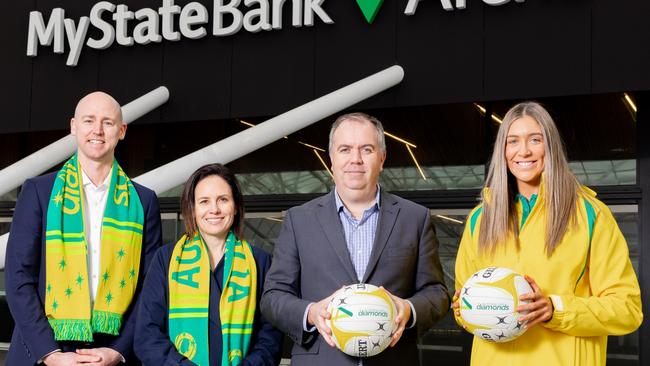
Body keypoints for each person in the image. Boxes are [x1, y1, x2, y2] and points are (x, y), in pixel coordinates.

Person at [453, 101, 643, 365]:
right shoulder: (480, 219)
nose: (524, 151)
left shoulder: (591, 214)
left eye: (535, 140)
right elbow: (463, 301)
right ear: (503, 151)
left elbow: (627, 310)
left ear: (550, 146)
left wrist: (555, 309)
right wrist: (465, 310)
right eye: (513, 141)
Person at [261, 112, 450, 365]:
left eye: (367, 149)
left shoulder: (414, 218)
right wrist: (312, 313)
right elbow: (273, 296)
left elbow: (437, 293)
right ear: (331, 159)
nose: (355, 159)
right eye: (345, 149)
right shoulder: (299, 220)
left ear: (382, 158)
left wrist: (408, 309)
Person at [5, 91, 162, 365]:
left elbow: (149, 288)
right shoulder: (38, 192)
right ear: (74, 127)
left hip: (111, 349)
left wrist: (119, 350)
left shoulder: (144, 201)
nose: (97, 130)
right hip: (45, 350)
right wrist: (50, 354)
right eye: (89, 121)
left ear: (122, 130)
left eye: (108, 122)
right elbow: (18, 279)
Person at [135, 163, 283, 365]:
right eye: (204, 201)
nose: (214, 209)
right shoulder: (165, 259)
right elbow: (147, 335)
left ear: (236, 206)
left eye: (223, 200)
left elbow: (270, 338)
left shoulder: (260, 261)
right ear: (192, 209)